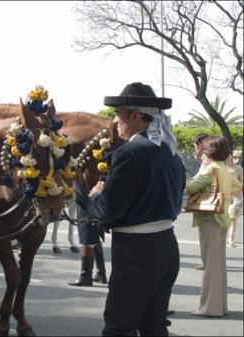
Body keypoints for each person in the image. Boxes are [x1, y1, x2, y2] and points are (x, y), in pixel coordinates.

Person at [85, 82, 185, 336]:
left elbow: (107, 210)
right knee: (154, 325)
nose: (115, 121)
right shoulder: (171, 152)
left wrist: (95, 196)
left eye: (118, 114)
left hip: (137, 251)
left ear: (137, 116)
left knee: (119, 327)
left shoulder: (131, 152)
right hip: (166, 245)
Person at [186, 136, 242, 317]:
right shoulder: (225, 170)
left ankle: (209, 307)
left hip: (209, 218)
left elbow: (190, 187)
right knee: (218, 264)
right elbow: (238, 186)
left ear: (209, 152)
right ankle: (220, 306)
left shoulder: (210, 169)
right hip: (222, 218)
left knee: (210, 265)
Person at [192, 132, 209, 270]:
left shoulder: (208, 161)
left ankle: (207, 262)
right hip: (208, 204)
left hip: (207, 205)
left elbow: (196, 183)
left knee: (206, 237)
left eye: (196, 146)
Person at [226, 154, 243, 247]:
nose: (226, 158)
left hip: (235, 197)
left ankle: (231, 237)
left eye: (228, 155)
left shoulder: (238, 168)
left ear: (231, 156)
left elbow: (242, 182)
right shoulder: (222, 168)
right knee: (224, 217)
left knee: (232, 217)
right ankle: (225, 236)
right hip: (225, 196)